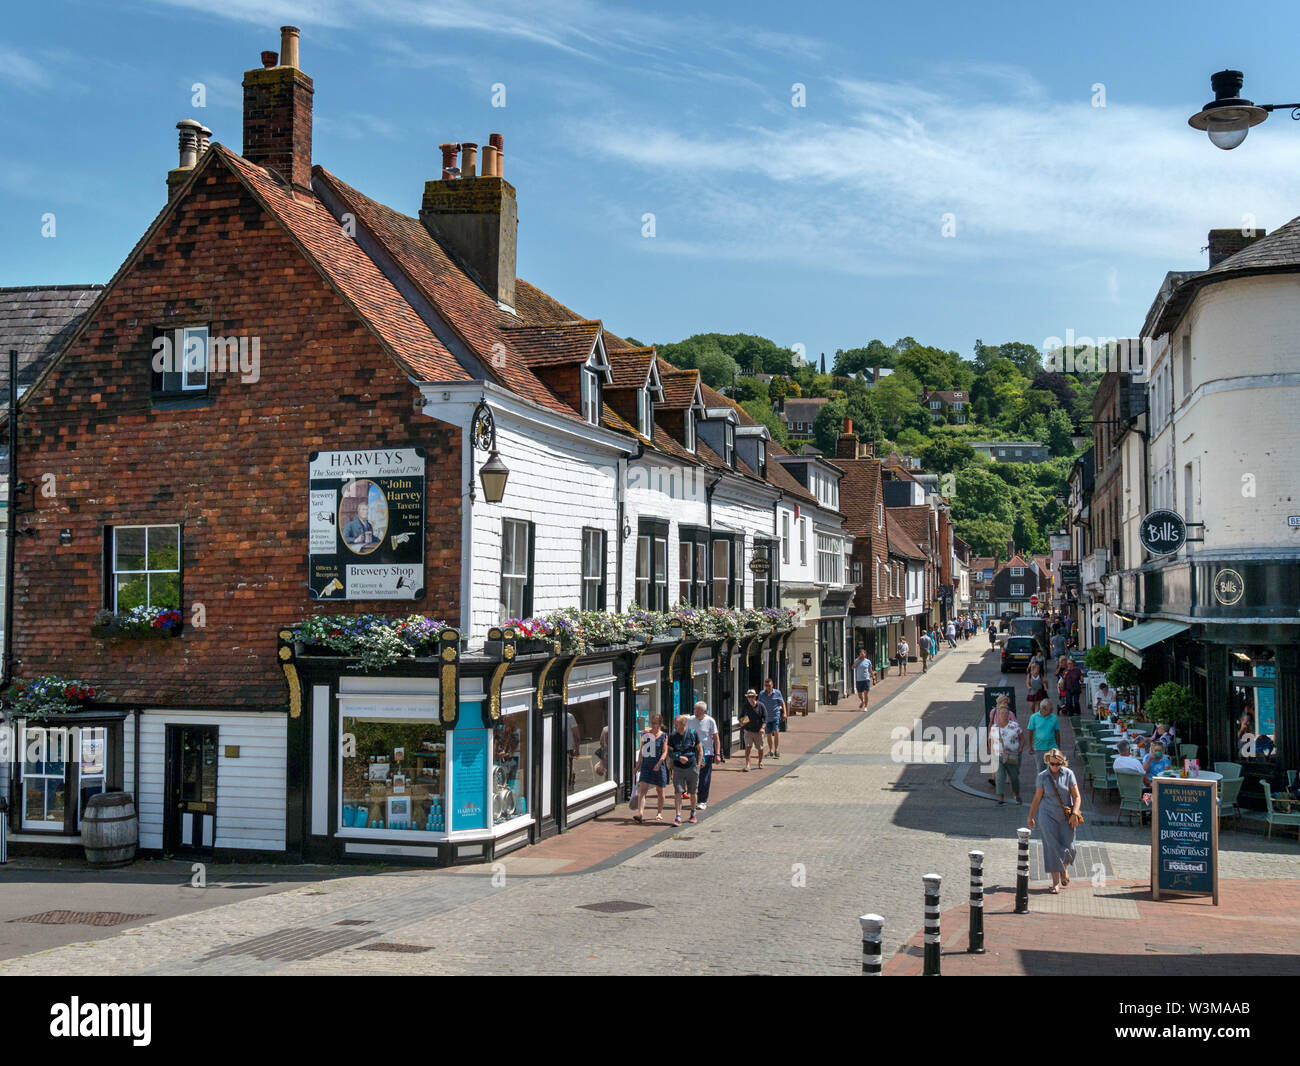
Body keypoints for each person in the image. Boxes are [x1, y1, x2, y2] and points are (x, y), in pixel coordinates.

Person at [1026, 748, 1082, 893]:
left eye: (1058, 764)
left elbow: (1076, 796)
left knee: (1070, 847)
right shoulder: (1042, 776)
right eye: (1052, 764)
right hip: (1047, 815)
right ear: (1047, 762)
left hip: (1066, 816)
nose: (1055, 767)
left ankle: (1064, 869)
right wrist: (1030, 817)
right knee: (1052, 847)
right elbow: (1037, 798)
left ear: (1062, 762)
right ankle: (1055, 883)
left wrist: (1075, 813)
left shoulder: (1069, 774)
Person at [667, 714, 703, 825]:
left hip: (692, 767)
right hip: (678, 769)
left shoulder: (693, 733)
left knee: (693, 792)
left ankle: (693, 813)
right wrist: (678, 757)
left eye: (676, 725)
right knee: (678, 792)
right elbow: (670, 753)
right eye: (674, 725)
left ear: (683, 724)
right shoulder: (673, 736)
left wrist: (698, 765)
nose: (675, 727)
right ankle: (678, 816)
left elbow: (700, 750)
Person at [632, 713, 668, 823]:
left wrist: (659, 763)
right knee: (643, 790)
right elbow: (642, 752)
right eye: (652, 723)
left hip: (658, 766)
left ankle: (659, 813)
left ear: (660, 724)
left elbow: (665, 751)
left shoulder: (664, 736)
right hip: (646, 765)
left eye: (655, 723)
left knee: (659, 790)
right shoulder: (645, 734)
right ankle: (640, 814)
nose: (653, 725)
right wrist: (637, 765)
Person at [988, 702, 1024, 805]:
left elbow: (1022, 738)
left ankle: (1016, 795)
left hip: (1012, 756)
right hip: (998, 756)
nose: (1003, 715)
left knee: (1014, 777)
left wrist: (1020, 748)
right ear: (998, 715)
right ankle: (1001, 798)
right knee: (999, 777)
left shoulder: (1014, 726)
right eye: (1001, 713)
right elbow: (990, 740)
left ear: (1009, 715)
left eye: (1005, 713)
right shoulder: (994, 727)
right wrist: (992, 751)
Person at [691, 700, 722, 810]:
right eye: (695, 709)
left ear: (704, 711)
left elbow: (716, 738)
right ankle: (694, 798)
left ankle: (702, 800)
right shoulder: (690, 720)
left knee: (704, 778)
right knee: (692, 776)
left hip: (707, 754)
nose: (696, 712)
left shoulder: (710, 721)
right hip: (692, 753)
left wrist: (717, 754)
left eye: (698, 710)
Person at [758, 677, 786, 758]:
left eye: (769, 685)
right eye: (766, 686)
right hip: (766, 718)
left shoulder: (777, 693)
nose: (768, 687)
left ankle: (776, 750)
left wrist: (784, 713)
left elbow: (782, 703)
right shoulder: (762, 694)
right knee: (769, 734)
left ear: (772, 685)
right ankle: (771, 750)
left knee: (776, 732)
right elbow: (759, 705)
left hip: (775, 716)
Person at [740, 689, 765, 771]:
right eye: (749, 697)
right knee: (748, 747)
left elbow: (765, 718)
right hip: (748, 731)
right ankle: (747, 765)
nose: (750, 698)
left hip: (758, 731)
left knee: (760, 748)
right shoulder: (745, 706)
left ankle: (760, 762)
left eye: (752, 696)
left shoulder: (761, 706)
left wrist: (762, 728)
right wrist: (743, 722)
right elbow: (741, 718)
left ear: (755, 697)